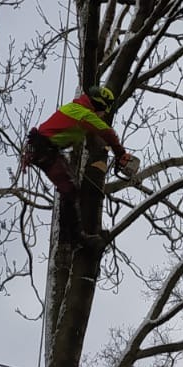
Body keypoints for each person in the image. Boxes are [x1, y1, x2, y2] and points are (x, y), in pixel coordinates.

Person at [23, 85, 139, 246]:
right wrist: (120, 153)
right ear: (100, 104)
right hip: (44, 148)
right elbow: (107, 132)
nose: (103, 115)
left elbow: (94, 136)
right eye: (103, 111)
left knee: (70, 188)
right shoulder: (82, 112)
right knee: (69, 189)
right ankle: (73, 237)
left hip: (46, 148)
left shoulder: (77, 111)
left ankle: (68, 236)